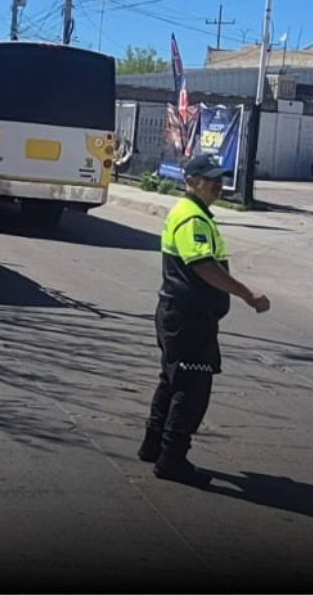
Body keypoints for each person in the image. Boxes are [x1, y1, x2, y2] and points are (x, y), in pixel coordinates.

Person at [138, 153, 271, 485]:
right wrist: (247, 294)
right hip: (189, 318)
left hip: (178, 313)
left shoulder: (193, 213)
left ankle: (153, 446)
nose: (217, 185)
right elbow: (203, 267)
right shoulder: (192, 218)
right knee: (192, 388)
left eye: (219, 179)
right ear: (191, 181)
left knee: (172, 381)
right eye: (209, 179)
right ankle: (171, 460)